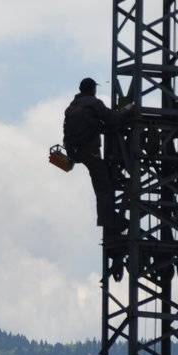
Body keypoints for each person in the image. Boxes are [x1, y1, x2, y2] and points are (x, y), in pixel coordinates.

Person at [63, 77, 127, 269]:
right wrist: (129, 112)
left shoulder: (72, 106)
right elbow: (113, 120)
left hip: (76, 153)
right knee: (104, 188)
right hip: (89, 152)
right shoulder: (93, 104)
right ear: (92, 90)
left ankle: (110, 220)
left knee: (102, 180)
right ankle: (109, 222)